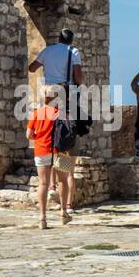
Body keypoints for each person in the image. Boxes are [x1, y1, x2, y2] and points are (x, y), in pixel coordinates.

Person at [29, 28, 84, 213]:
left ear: (58, 38)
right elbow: (77, 74)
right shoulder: (73, 52)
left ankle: (50, 187)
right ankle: (66, 207)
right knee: (64, 129)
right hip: (66, 93)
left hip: (48, 90)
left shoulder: (48, 50)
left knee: (47, 126)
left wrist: (47, 69)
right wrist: (79, 85)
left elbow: (32, 68)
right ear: (71, 40)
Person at [26, 87, 73, 229]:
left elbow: (28, 135)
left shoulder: (36, 114)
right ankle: (64, 212)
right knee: (63, 181)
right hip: (60, 151)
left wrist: (38, 137)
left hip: (41, 150)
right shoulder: (61, 114)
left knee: (43, 184)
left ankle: (42, 218)